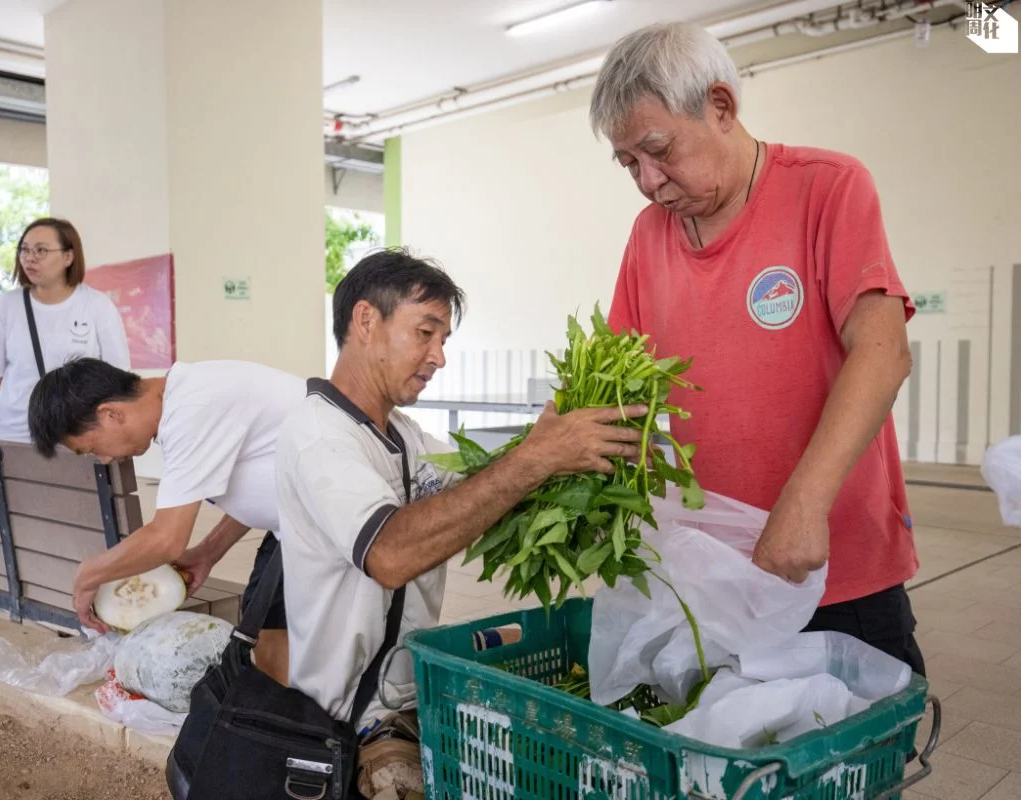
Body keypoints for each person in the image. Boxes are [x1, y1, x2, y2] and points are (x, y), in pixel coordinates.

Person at [589, 22, 924, 674]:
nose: (648, 181)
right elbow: (619, 387)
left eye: (659, 150)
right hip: (717, 577)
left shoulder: (827, 188)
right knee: (731, 758)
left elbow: (883, 353)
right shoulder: (648, 237)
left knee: (854, 760)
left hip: (832, 561)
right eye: (629, 163)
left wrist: (803, 505)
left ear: (720, 107)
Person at [276, 249, 647, 795]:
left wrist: (566, 454)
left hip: (415, 694)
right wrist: (538, 457)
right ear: (365, 321)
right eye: (425, 333)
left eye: (443, 339)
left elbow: (476, 493)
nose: (438, 357)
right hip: (357, 720)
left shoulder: (403, 434)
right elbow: (390, 555)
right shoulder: (320, 436)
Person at [27, 356, 303, 685]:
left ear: (110, 414)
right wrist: (208, 552)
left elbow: (166, 539)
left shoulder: (190, 409)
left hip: (337, 530)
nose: (102, 459)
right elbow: (266, 482)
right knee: (267, 649)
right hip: (297, 527)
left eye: (90, 449)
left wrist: (88, 576)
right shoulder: (185, 401)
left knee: (290, 662)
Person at [0, 217, 130, 443]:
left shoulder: (97, 306)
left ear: (68, 256)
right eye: (25, 249)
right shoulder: (8, 306)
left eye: (41, 250)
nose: (30, 257)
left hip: (75, 436)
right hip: (14, 435)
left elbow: (118, 376)